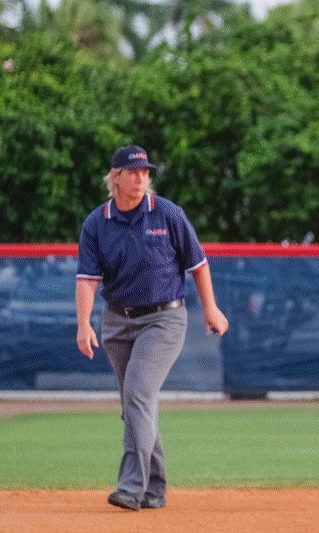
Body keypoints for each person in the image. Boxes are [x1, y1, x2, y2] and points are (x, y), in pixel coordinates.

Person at [75, 144, 229, 511]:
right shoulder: (97, 223)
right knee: (134, 405)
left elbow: (199, 263)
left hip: (164, 318)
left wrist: (211, 308)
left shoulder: (167, 214)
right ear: (116, 177)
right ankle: (156, 487)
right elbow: (86, 279)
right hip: (116, 321)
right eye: (133, 172)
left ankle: (131, 487)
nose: (142, 178)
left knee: (138, 395)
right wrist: (84, 325)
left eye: (146, 172)